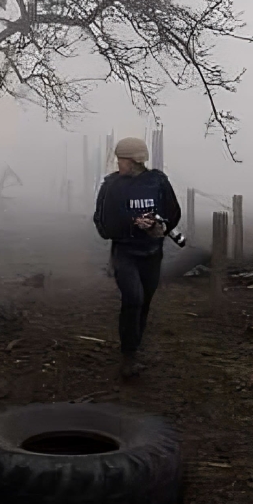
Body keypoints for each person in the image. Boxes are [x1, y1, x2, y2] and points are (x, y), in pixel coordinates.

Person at [92, 137, 182, 379]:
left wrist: (157, 222)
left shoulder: (158, 181)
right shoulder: (112, 185)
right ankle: (128, 358)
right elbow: (102, 223)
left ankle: (134, 347)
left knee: (144, 303)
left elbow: (173, 213)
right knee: (133, 298)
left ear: (134, 161)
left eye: (121, 159)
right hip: (125, 253)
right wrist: (132, 223)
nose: (117, 164)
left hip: (152, 253)